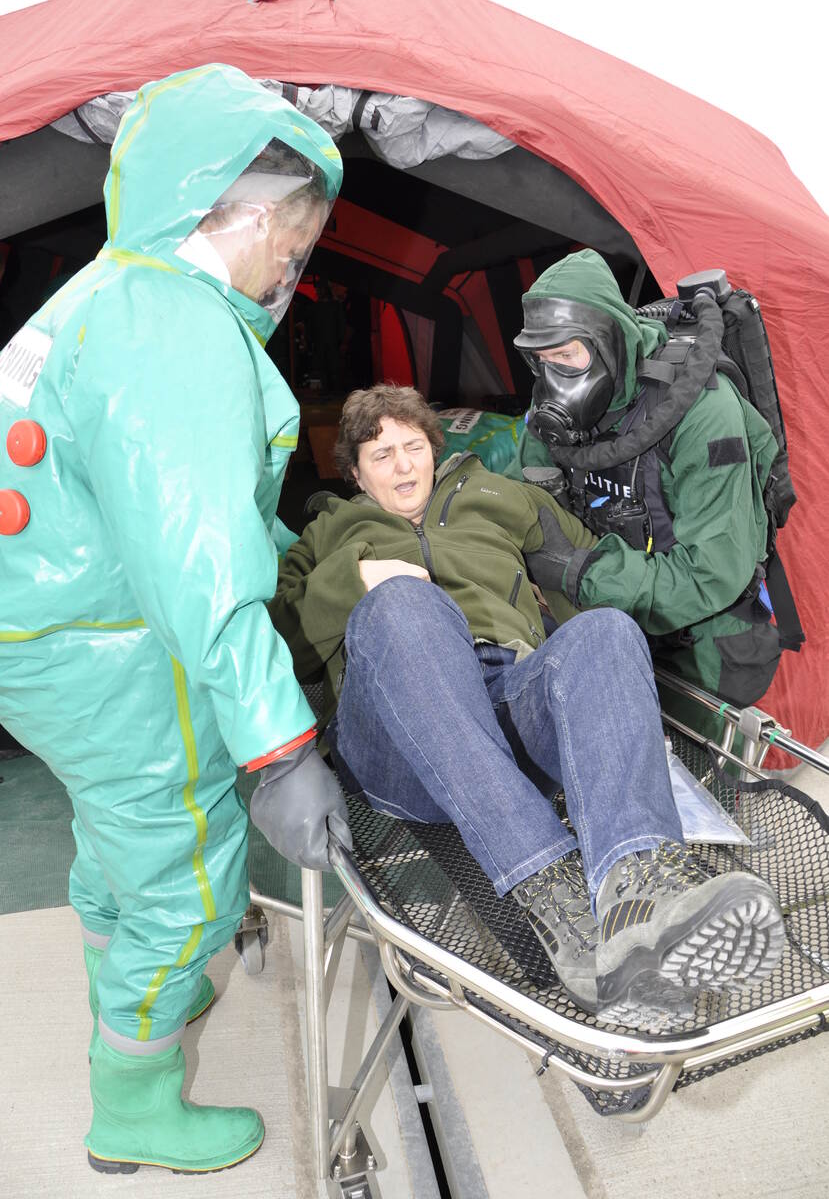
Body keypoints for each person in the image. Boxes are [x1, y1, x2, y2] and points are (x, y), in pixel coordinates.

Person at [0, 64, 345, 1175]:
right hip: (115, 650)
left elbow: (133, 501)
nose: (289, 275)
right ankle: (134, 1103)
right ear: (234, 212)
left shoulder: (103, 292)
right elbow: (196, 563)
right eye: (288, 248)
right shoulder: (173, 325)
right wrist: (282, 747)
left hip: (41, 638)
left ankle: (126, 980)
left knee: (119, 832)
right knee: (190, 867)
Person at [271, 383, 785, 1033]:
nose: (401, 465)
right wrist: (355, 581)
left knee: (603, 631)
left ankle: (635, 893)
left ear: (435, 448)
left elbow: (588, 581)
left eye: (411, 447)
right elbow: (282, 645)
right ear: (353, 472)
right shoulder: (324, 534)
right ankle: (550, 888)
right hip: (399, 737)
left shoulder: (503, 498)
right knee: (404, 606)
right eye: (380, 455)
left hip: (510, 696)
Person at [503, 248, 784, 713]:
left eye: (567, 356)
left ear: (610, 341)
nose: (554, 380)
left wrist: (583, 572)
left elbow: (712, 574)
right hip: (609, 626)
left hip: (700, 648)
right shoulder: (550, 416)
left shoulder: (704, 414)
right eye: (541, 360)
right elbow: (521, 503)